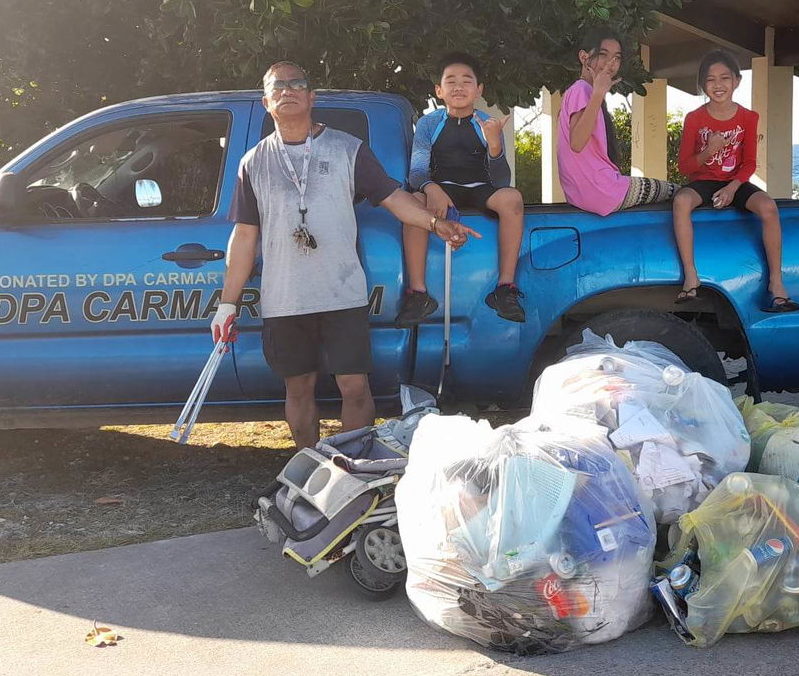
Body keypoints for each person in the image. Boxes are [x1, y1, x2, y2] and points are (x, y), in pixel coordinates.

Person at [212, 62, 480, 448]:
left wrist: (436, 225)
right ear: (266, 101)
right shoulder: (253, 162)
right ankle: (309, 467)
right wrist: (227, 304)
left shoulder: (347, 149)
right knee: (298, 387)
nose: (287, 91)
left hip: (342, 293)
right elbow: (244, 235)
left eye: (296, 84)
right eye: (278, 87)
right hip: (285, 298)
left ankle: (353, 464)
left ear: (311, 96)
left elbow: (395, 200)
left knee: (354, 386)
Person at [395, 52, 527, 326]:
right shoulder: (429, 123)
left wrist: (494, 146)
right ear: (439, 90)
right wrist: (431, 188)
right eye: (450, 80)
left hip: (480, 188)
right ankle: (418, 292)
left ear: (479, 90)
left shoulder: (487, 123)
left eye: (467, 81)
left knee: (512, 198)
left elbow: (501, 181)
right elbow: (417, 171)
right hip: (441, 189)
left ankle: (505, 288)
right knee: (412, 202)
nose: (458, 86)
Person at [673, 48, 799, 313]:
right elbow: (685, 166)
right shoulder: (694, 118)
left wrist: (733, 187)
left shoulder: (748, 117)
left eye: (724, 78)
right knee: (682, 201)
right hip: (704, 181)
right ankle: (691, 276)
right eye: (710, 79)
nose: (718, 85)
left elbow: (749, 162)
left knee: (768, 207)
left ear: (736, 81)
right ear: (703, 84)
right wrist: (710, 149)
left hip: (735, 181)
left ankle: (776, 284)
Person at [556, 27, 679, 215]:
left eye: (617, 57)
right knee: (677, 192)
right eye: (603, 55)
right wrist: (598, 93)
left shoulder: (582, 91)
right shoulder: (582, 90)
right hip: (603, 190)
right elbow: (577, 142)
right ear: (584, 57)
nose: (611, 63)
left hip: (588, 192)